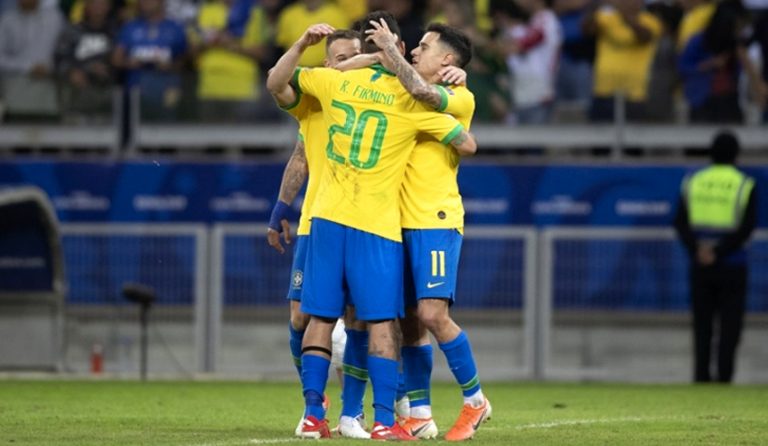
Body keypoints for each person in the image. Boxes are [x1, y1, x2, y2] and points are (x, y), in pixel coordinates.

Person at [267, 10, 477, 440]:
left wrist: (307, 47)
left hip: (352, 219)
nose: (413, 53)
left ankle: (352, 412)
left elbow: (276, 83)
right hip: (374, 225)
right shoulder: (405, 100)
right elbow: (467, 142)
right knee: (370, 321)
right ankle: (371, 416)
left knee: (347, 318)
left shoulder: (333, 85)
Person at [365, 20, 491, 441]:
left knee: (433, 314)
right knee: (409, 321)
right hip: (396, 220)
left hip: (434, 219)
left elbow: (425, 93)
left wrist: (391, 48)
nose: (415, 51)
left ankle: (475, 400)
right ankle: (419, 413)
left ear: (448, 59)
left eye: (424, 45)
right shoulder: (407, 91)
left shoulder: (459, 96)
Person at [265, 26, 370, 439]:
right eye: (341, 58)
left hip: (365, 222)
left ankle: (354, 412)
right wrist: (280, 209)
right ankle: (315, 402)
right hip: (316, 221)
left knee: (358, 319)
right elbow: (299, 155)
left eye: (356, 55)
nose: (350, 63)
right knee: (300, 317)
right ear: (328, 65)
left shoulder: (375, 99)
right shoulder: (314, 99)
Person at [673, 130, 758, 383]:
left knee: (703, 326)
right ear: (736, 154)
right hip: (733, 264)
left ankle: (701, 377)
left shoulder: (694, 181)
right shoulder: (744, 184)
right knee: (730, 326)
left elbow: (680, 223)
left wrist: (698, 250)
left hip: (700, 264)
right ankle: (724, 378)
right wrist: (718, 252)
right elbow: (746, 228)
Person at [582, 0, 663, 122]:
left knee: (635, 131)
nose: (628, 3)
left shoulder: (650, 20)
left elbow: (645, 37)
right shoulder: (607, 17)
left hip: (635, 92)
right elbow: (587, 31)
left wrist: (628, 19)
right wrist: (594, 8)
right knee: (599, 130)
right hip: (604, 88)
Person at [112, 0, 188, 122]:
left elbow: (185, 61)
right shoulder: (130, 27)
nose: (144, 2)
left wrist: (170, 66)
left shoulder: (175, 28)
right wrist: (129, 63)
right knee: (134, 127)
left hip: (166, 91)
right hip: (135, 92)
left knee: (167, 128)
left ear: (161, 2)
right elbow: (116, 60)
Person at [274, 0, 349, 67]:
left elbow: (343, 44)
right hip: (295, 69)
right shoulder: (288, 14)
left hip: (325, 69)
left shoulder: (336, 14)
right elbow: (283, 46)